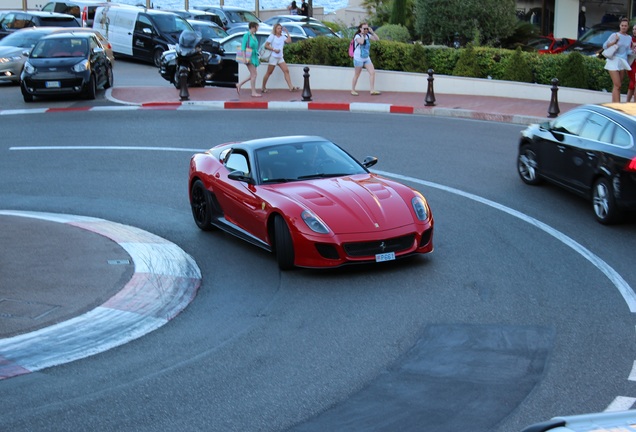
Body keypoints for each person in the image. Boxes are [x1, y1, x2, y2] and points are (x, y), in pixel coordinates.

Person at [602, 17, 634, 103]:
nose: (624, 27)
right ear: (619, 26)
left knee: (618, 86)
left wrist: (633, 50)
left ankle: (615, 105)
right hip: (613, 60)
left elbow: (627, 51)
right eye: (622, 25)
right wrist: (615, 41)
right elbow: (604, 46)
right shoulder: (614, 35)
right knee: (617, 84)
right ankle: (617, 105)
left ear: (628, 27)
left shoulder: (629, 38)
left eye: (625, 26)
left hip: (622, 61)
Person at [261, 24, 299, 93]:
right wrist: (274, 49)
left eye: (280, 28)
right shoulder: (272, 36)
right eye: (278, 28)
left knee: (286, 71)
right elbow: (266, 45)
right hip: (273, 57)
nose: (280, 30)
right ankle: (263, 87)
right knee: (269, 72)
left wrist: (287, 32)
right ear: (275, 29)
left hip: (280, 57)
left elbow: (289, 41)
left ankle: (291, 87)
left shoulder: (282, 37)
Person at [351, 22, 380, 96]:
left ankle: (372, 90)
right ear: (360, 29)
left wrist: (372, 32)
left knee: (372, 72)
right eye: (364, 28)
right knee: (357, 74)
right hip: (358, 58)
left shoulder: (368, 35)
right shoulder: (357, 36)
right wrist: (363, 35)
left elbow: (377, 39)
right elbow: (361, 42)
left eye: (367, 28)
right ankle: (353, 90)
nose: (366, 30)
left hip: (366, 58)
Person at [236, 21, 261, 97]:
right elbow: (243, 46)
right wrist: (244, 58)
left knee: (253, 74)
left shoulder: (254, 36)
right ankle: (253, 92)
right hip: (248, 56)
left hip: (254, 56)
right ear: (253, 27)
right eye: (257, 27)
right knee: (254, 74)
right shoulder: (247, 35)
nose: (258, 28)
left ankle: (239, 84)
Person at [628, 24, 636, 102]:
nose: (634, 31)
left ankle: (627, 103)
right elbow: (627, 52)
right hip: (632, 64)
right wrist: (632, 48)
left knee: (632, 84)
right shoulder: (630, 40)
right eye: (633, 29)